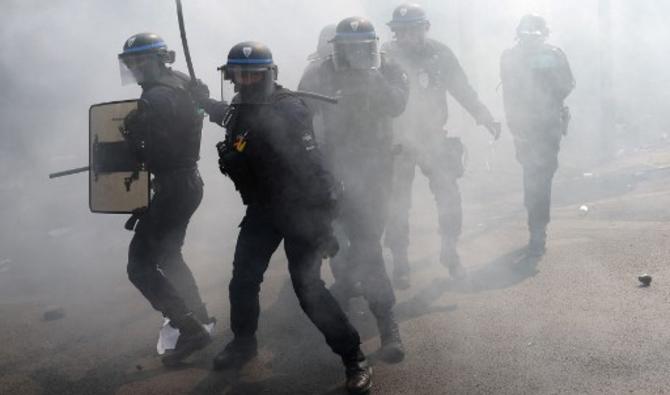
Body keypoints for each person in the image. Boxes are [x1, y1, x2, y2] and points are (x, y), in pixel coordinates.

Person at [197, 41, 372, 394]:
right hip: (262, 210)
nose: (243, 81)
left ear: (268, 74)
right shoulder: (241, 107)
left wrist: (324, 224)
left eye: (251, 74)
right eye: (238, 74)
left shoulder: (288, 109)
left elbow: (315, 168)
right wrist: (201, 99)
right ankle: (244, 343)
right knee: (243, 280)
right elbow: (228, 117)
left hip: (300, 210)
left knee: (309, 289)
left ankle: (354, 359)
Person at [298, 16, 409, 363]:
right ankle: (371, 307)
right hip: (335, 167)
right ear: (338, 47)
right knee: (347, 240)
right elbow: (298, 113)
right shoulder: (320, 73)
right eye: (351, 48)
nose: (358, 53)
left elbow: (397, 105)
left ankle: (375, 310)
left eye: (365, 47)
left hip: (377, 166)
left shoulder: (387, 67)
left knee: (369, 239)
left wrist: (372, 75)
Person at [382, 3, 501, 289]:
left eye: (413, 30)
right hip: (398, 139)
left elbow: (462, 88)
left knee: (449, 195)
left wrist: (484, 116)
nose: (407, 36)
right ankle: (400, 260)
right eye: (401, 31)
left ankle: (450, 251)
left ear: (425, 28)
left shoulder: (440, 54)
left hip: (433, 136)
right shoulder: (385, 56)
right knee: (397, 203)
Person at [118, 32, 212, 366]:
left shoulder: (155, 99)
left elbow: (154, 153)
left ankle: (190, 328)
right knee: (169, 253)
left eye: (142, 60)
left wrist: (132, 137)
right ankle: (200, 314)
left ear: (159, 59)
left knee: (139, 266)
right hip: (188, 182)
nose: (136, 67)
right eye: (131, 62)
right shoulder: (181, 81)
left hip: (174, 185)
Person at [500, 14, 575, 256]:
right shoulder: (510, 57)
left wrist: (548, 79)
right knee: (531, 174)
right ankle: (536, 226)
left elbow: (568, 85)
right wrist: (514, 124)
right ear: (518, 35)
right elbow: (509, 94)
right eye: (526, 35)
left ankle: (538, 229)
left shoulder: (554, 54)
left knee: (542, 176)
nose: (530, 41)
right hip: (524, 125)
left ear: (544, 35)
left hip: (548, 124)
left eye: (535, 35)